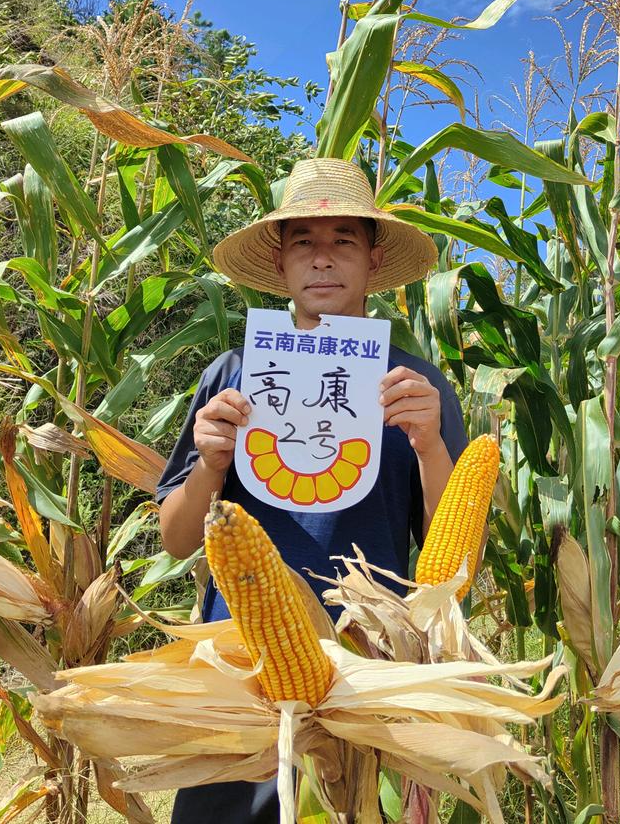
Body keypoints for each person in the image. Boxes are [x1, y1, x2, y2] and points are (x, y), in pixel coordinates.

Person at [156, 157, 469, 824]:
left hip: (364, 670)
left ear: (373, 257)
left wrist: (432, 446)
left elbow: (457, 562)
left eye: (342, 241)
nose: (322, 260)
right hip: (241, 669)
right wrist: (210, 464)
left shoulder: (417, 388)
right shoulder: (233, 374)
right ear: (280, 263)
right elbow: (178, 538)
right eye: (304, 241)